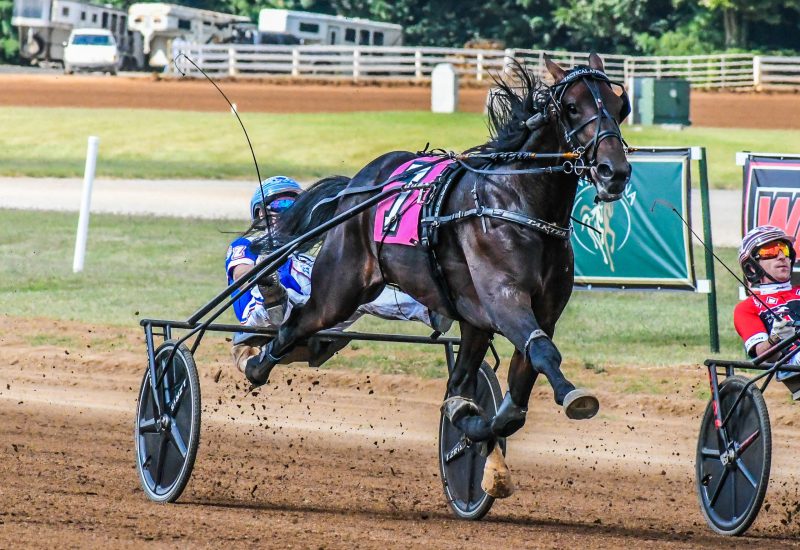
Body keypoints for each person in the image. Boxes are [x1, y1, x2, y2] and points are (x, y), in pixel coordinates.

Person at [227, 176, 452, 374]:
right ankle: (274, 296)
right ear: (260, 213)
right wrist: (261, 277)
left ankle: (432, 310)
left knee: (359, 288)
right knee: (272, 279)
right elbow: (241, 274)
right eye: (282, 203)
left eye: (295, 203)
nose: (290, 209)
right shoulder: (248, 244)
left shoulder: (307, 248)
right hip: (261, 317)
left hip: (315, 313)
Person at [734, 225, 800, 392]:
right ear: (751, 266)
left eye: (784, 250)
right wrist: (776, 338)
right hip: (792, 363)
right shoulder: (747, 307)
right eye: (770, 251)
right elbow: (763, 356)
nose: (781, 257)